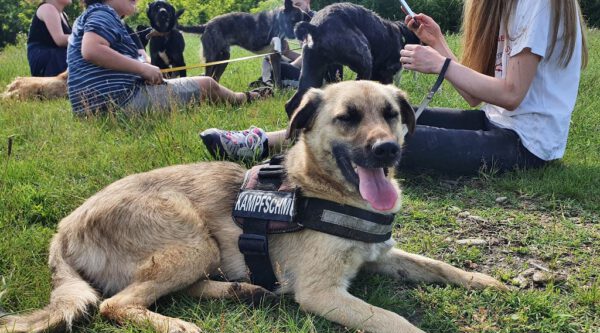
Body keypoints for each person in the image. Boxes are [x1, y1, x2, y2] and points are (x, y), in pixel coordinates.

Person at [201, 0, 588, 175]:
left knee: (390, 143)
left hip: (526, 145)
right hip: (495, 123)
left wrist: (442, 64)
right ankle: (262, 142)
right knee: (384, 122)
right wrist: (440, 44)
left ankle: (279, 163)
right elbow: (478, 96)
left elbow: (511, 94)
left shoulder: (538, 3)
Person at [67, 0, 272, 115]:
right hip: (119, 102)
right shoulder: (104, 14)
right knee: (208, 84)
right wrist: (142, 69)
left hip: (89, 107)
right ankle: (246, 97)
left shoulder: (88, 17)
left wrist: (142, 66)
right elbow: (91, 50)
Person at [27, 0, 73, 76]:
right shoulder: (47, 8)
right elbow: (60, 39)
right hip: (47, 59)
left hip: (55, 57)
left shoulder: (62, 14)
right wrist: (85, 39)